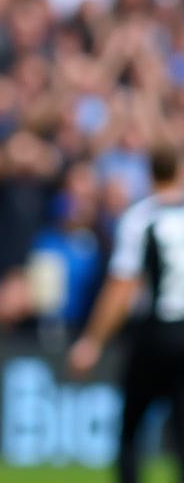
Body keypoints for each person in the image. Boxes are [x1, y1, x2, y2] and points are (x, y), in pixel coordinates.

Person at [68, 142, 184, 483]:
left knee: (130, 429)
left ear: (150, 174)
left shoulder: (141, 217)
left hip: (156, 333)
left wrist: (91, 341)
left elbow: (122, 285)